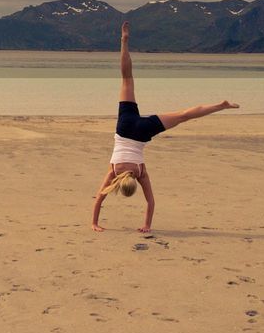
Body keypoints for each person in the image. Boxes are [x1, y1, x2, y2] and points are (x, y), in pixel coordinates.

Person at [91, 21, 239, 233]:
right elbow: (98, 200)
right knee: (126, 80)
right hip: (124, 127)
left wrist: (146, 226)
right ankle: (124, 42)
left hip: (142, 131)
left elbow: (151, 203)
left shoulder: (139, 172)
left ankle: (220, 106)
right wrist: (93, 222)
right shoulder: (114, 171)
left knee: (184, 116)